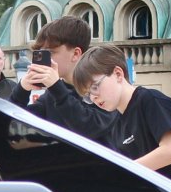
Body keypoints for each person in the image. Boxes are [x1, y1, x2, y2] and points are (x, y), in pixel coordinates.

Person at [72, 44, 171, 192]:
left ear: (118, 74)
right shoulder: (116, 124)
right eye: (88, 95)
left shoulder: (151, 100)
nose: (93, 97)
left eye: (95, 87)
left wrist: (123, 171)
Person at [9, 16, 116, 144]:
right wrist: (22, 90)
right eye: (41, 54)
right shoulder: (53, 95)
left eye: (50, 53)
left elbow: (88, 128)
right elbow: (12, 126)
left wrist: (56, 87)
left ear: (76, 54)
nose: (46, 60)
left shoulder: (102, 89)